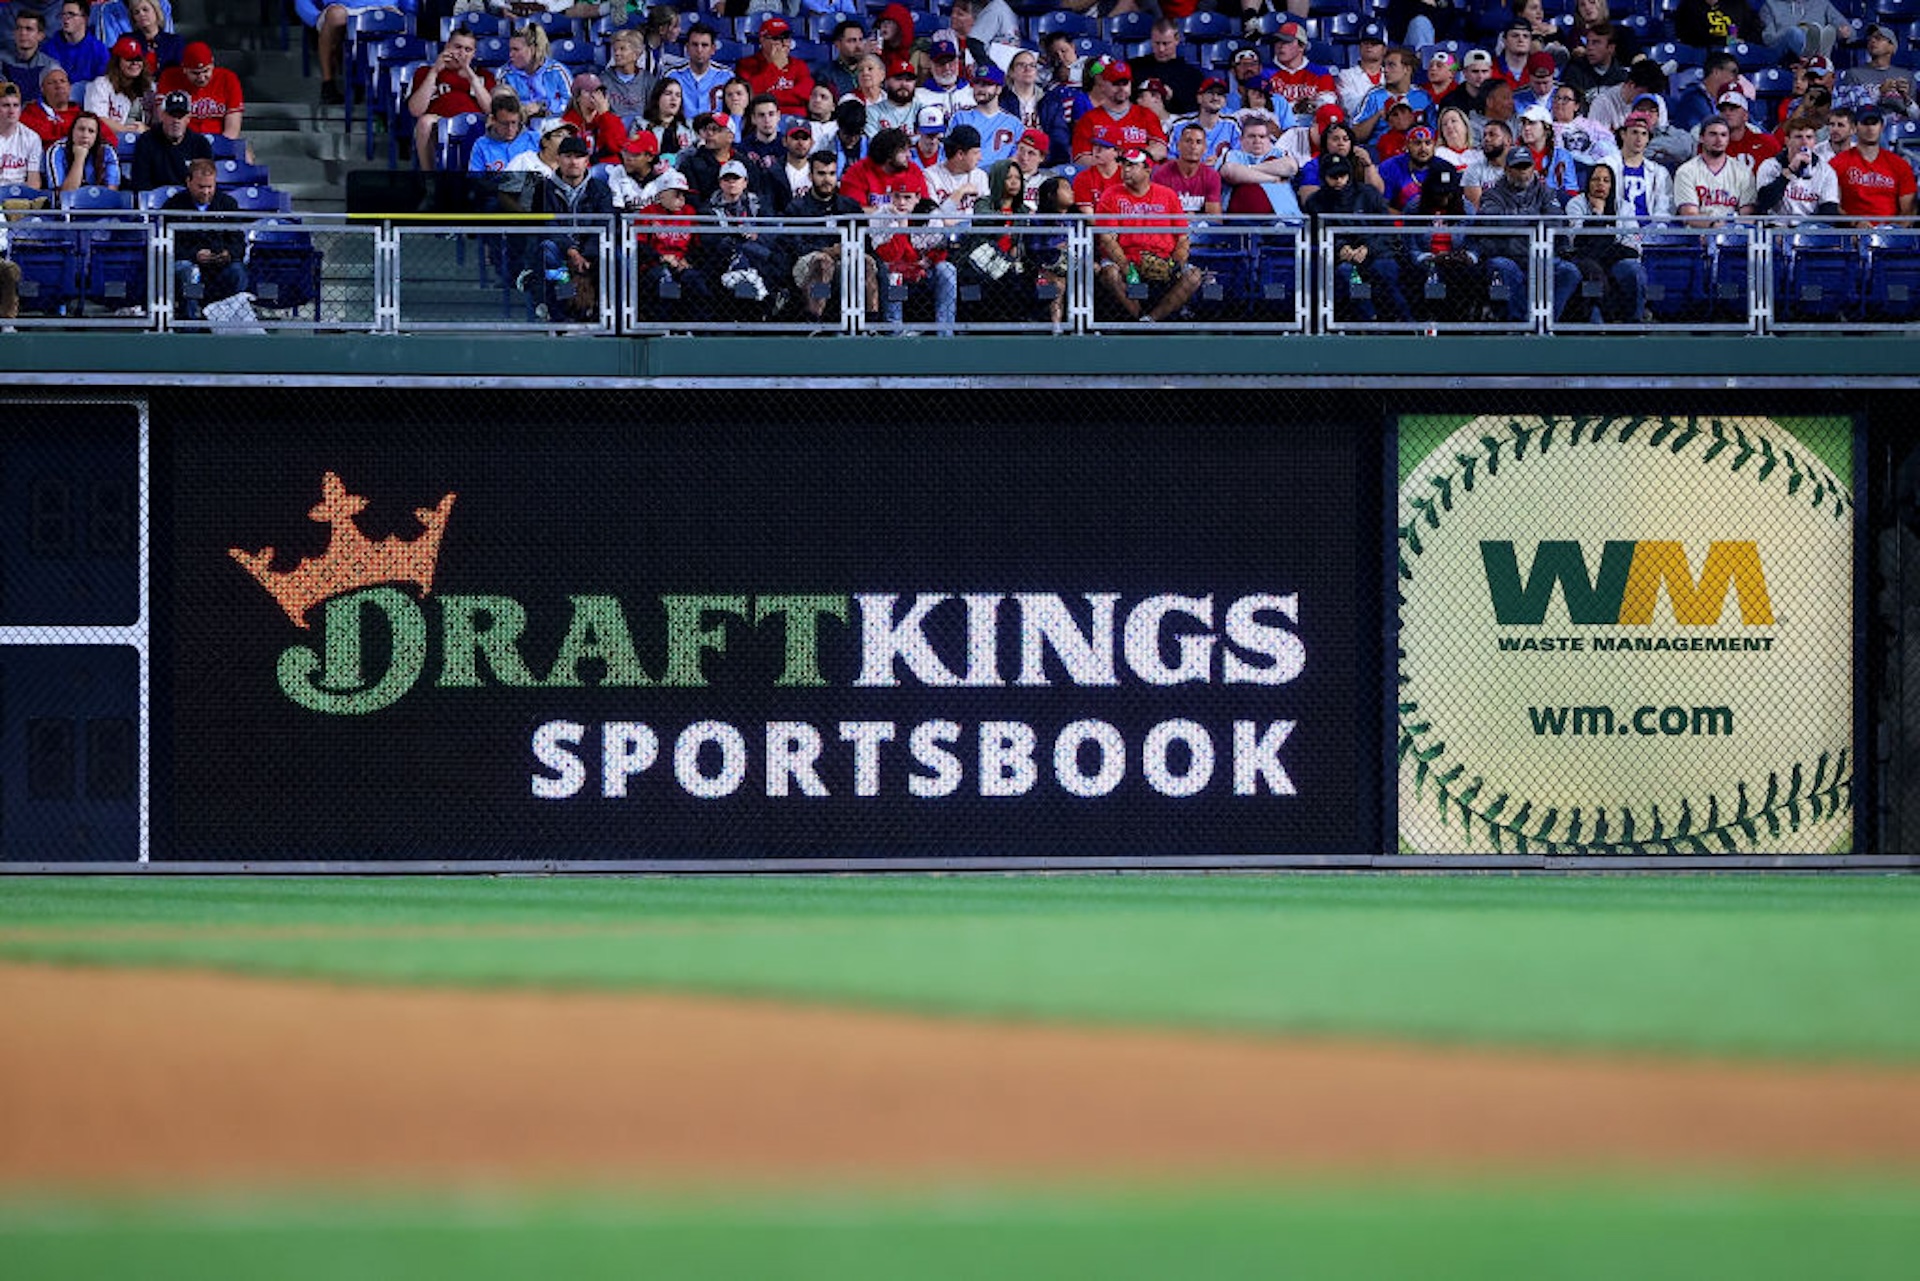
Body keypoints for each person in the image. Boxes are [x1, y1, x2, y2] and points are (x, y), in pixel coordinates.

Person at [1093, 146, 1201, 322]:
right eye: (1124, 165)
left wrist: (1176, 264)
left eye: (1132, 165)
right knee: (1110, 273)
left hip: (1163, 260)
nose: (1126, 170)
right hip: (1124, 260)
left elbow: (1182, 238)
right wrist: (1128, 269)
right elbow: (1107, 239)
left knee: (1194, 276)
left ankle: (1152, 319)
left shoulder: (1167, 195)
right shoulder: (1111, 195)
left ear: (1147, 169)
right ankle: (1139, 317)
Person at [1476, 144, 1582, 321]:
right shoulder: (1492, 194)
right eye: (1517, 167)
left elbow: (1556, 221)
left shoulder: (1546, 192)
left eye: (1526, 166)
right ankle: (1522, 323)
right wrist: (1534, 218)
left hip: (1543, 258)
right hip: (1509, 256)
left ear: (1533, 167)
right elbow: (1491, 220)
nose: (1523, 171)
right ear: (1507, 169)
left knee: (1570, 271)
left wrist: (1514, 223)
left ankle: (1545, 321)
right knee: (1501, 266)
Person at [1304, 152, 1407, 321]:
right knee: (1347, 273)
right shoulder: (1316, 201)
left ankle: (1404, 323)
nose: (1338, 180)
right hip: (1339, 258)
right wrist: (1339, 249)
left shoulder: (1368, 194)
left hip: (1376, 252)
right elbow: (1314, 235)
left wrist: (1367, 248)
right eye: (1333, 176)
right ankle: (1369, 321)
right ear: (1324, 176)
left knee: (1384, 270)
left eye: (1342, 175)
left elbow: (1386, 229)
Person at [526, 134, 613, 322]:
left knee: (617, 255)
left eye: (578, 156)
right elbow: (548, 225)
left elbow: (604, 226)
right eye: (567, 156)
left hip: (591, 251)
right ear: (558, 159)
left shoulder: (600, 189)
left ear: (586, 161)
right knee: (549, 253)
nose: (573, 162)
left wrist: (587, 256)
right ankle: (561, 314)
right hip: (560, 248)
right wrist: (571, 251)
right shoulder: (544, 189)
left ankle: (609, 316)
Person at [162, 157, 246, 321]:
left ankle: (228, 321)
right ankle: (190, 321)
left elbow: (238, 242)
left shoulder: (228, 204)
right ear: (188, 181)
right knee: (188, 270)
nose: (206, 192)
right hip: (188, 265)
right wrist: (195, 255)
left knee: (238, 271)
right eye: (201, 187)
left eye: (210, 187)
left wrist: (228, 254)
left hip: (220, 267)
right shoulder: (174, 205)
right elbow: (168, 244)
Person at [1562, 160, 1645, 322]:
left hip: (1612, 259)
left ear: (1612, 185)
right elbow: (1576, 242)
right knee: (1593, 269)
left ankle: (1635, 321)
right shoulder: (1576, 204)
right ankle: (1609, 316)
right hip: (1586, 260)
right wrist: (1597, 214)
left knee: (1632, 269)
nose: (1600, 184)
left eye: (1606, 180)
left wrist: (1598, 244)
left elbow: (1633, 246)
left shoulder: (1624, 207)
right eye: (1595, 179)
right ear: (1588, 182)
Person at [408, 29, 495, 172]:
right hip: (440, 123)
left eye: (468, 49)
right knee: (424, 122)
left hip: (475, 125)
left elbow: (490, 110)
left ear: (474, 53)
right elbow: (415, 110)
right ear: (447, 46)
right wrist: (434, 72)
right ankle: (430, 179)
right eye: (457, 47)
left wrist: (472, 77)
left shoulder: (483, 76)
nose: (462, 53)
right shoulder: (425, 72)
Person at [631, 168, 711, 324]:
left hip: (681, 264)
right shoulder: (648, 212)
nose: (682, 199)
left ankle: (695, 328)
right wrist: (661, 257)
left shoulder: (689, 212)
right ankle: (660, 328)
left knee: (697, 283)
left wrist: (688, 260)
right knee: (663, 282)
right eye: (677, 194)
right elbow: (639, 245)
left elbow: (697, 245)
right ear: (661, 194)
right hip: (654, 265)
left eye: (684, 195)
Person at [1828, 105, 1917, 222]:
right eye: (1865, 123)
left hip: (1890, 234)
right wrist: (1854, 224)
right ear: (1855, 127)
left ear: (1882, 127)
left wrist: (1891, 233)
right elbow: (1833, 206)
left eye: (1874, 123)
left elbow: (1908, 211)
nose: (1870, 129)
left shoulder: (1899, 164)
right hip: (1851, 234)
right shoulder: (1837, 163)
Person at [1071, 57, 1166, 165]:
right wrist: (1110, 163)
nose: (1121, 88)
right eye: (1115, 83)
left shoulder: (1146, 114)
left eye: (1125, 83)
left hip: (1141, 176)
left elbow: (1161, 149)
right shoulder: (1088, 119)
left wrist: (1134, 157)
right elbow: (1080, 158)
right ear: (1103, 86)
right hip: (1105, 179)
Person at [1674, 119, 1758, 225]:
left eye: (1723, 135)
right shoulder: (1686, 171)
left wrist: (1727, 230)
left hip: (1734, 236)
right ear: (1701, 138)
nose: (1718, 140)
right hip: (1698, 236)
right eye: (1713, 134)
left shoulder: (1743, 172)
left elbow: (1747, 214)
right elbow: (1689, 215)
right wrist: (1713, 226)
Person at [1220, 110, 1302, 217]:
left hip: (1284, 219)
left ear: (1269, 139)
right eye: (1251, 136)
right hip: (1240, 224)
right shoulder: (1233, 155)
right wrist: (1273, 178)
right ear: (1241, 139)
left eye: (1262, 136)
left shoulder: (1278, 153)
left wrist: (1247, 170)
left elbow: (1291, 167)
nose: (1257, 140)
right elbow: (1229, 172)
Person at [1755, 115, 1841, 216]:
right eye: (1798, 137)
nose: (1804, 142)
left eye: (1809, 137)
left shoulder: (1826, 171)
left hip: (1810, 227)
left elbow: (1829, 210)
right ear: (1787, 141)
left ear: (1815, 141)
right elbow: (1763, 203)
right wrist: (1790, 171)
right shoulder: (1770, 166)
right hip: (1777, 226)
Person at [156, 41, 243, 140]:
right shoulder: (169, 77)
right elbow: (164, 120)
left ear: (212, 64)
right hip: (182, 142)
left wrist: (221, 147)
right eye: (195, 73)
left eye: (206, 71)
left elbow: (232, 129)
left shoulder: (228, 78)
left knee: (246, 154)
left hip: (219, 139)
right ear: (184, 68)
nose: (201, 78)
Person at [129, 87, 206, 190]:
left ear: (188, 118)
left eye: (180, 116)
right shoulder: (146, 140)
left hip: (187, 203)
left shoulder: (200, 144)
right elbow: (140, 183)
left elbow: (204, 185)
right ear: (162, 116)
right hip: (154, 202)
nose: (176, 121)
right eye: (172, 115)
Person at [1610, 113, 1675, 229]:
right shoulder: (1607, 165)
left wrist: (1656, 228)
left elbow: (1665, 207)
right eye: (1634, 132)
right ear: (1623, 134)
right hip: (1616, 231)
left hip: (1650, 235)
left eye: (1644, 134)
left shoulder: (1659, 172)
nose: (1639, 138)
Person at [741, 16, 813, 117]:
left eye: (786, 37)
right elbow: (755, 96)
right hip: (765, 119)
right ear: (762, 40)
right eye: (776, 38)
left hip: (797, 118)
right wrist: (773, 66)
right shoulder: (747, 65)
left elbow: (805, 96)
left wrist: (772, 95)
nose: (783, 43)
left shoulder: (799, 65)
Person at [951, 62, 1020, 166]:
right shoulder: (960, 118)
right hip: (967, 176)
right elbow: (949, 154)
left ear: (999, 89)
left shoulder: (1014, 123)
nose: (980, 88)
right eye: (977, 83)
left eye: (987, 84)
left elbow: (1018, 158)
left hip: (1000, 178)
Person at [1128, 20, 1202, 115]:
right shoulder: (1135, 66)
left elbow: (1193, 110)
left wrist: (1172, 97)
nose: (1161, 49)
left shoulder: (1191, 75)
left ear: (1177, 40)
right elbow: (1106, 72)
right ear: (1151, 40)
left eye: (1166, 43)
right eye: (1157, 43)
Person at [1843, 26, 1916, 121]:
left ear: (1892, 47)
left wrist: (1906, 98)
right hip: (1866, 127)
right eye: (1869, 39)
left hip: (1899, 130)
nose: (1872, 41)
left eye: (1879, 38)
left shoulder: (1907, 76)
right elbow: (1849, 112)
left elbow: (1916, 117)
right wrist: (1879, 92)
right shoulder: (1853, 74)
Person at [1264, 21, 1336, 118]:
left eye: (1287, 42)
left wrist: (1312, 105)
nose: (1281, 46)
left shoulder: (1320, 73)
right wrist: (1296, 107)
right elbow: (1261, 107)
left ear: (1301, 47)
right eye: (1278, 41)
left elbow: (1329, 102)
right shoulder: (1264, 73)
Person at [84, 34, 151, 137]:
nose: (135, 63)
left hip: (143, 141)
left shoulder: (149, 87)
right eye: (129, 59)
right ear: (117, 62)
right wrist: (128, 133)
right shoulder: (101, 85)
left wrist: (146, 131)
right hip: (110, 141)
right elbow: (97, 119)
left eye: (138, 59)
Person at [499, 25, 569, 123]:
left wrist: (543, 105)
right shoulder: (505, 75)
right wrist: (523, 109)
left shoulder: (557, 71)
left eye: (516, 49)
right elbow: (501, 109)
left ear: (532, 49)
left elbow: (572, 104)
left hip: (556, 128)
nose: (511, 54)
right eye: (510, 49)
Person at [1153, 120, 1223, 215]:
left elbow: (1215, 219)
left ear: (1205, 148)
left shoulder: (1212, 176)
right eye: (1188, 141)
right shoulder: (1162, 174)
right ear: (1178, 146)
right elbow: (1159, 214)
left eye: (1198, 142)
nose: (1193, 146)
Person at [561, 72, 627, 166]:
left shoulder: (611, 119)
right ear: (578, 97)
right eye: (589, 91)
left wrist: (605, 115)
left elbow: (617, 147)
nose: (594, 96)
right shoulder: (568, 122)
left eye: (598, 91)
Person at [669, 25, 732, 118]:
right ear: (687, 48)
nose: (699, 50)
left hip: (716, 130)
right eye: (695, 45)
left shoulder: (726, 76)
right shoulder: (673, 75)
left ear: (713, 49)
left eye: (704, 45)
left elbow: (736, 111)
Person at [45, 107, 116, 188]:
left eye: (91, 131)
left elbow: (112, 193)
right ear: (72, 131)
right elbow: (62, 195)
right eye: (81, 129)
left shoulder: (107, 151)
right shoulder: (57, 150)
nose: (85, 135)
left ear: (97, 136)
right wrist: (79, 159)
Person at [1758, 0, 1850, 61]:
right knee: (1793, 32)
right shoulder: (1770, 5)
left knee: (1829, 31)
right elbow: (1768, 38)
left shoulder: (1822, 3)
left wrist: (1843, 33)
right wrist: (1788, 35)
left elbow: (1848, 29)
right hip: (1781, 51)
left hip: (1817, 42)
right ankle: (1815, 61)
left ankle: (1814, 58)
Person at [1379, 123, 1440, 210]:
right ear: (1407, 145)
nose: (1423, 148)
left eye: (1428, 143)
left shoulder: (1444, 167)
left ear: (1434, 145)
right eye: (1417, 143)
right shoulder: (1390, 167)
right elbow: (1382, 207)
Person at [47, 1, 108, 86]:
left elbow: (103, 86)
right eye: (63, 14)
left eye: (71, 14)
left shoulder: (99, 50)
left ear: (85, 18)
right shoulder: (49, 48)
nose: (66, 18)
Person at [1337, 22, 1391, 118]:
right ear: (1360, 47)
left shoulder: (1392, 75)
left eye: (1374, 43)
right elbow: (1350, 107)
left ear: (1384, 49)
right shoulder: (1346, 75)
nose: (1369, 46)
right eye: (1365, 43)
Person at [1562, 21, 1628, 99]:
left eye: (1596, 43)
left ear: (1611, 48)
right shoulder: (1575, 71)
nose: (1589, 47)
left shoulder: (1623, 76)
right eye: (1588, 42)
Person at [600, 28, 652, 124]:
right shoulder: (604, 79)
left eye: (622, 49)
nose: (617, 53)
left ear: (636, 54)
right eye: (615, 50)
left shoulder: (648, 80)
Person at [1717, 92, 1779, 170]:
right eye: (1723, 110)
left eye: (1732, 109)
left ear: (1745, 116)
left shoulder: (1767, 143)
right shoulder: (1711, 145)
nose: (1727, 113)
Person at [0, 80, 44, 187]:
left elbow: (34, 180)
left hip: (20, 196)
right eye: (6, 105)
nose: (11, 110)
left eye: (15, 105)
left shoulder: (32, 138)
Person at [641, 77, 694, 162]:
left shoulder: (689, 126)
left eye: (678, 95)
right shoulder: (641, 125)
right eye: (668, 93)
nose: (674, 98)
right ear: (658, 98)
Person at [1071, 125, 1123, 212]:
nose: (1097, 150)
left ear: (1117, 152)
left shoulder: (1128, 176)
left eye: (1105, 147)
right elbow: (1089, 218)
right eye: (1095, 145)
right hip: (1097, 225)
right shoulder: (1083, 178)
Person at [814, 16, 868, 100]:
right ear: (837, 44)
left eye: (860, 40)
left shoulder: (871, 70)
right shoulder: (826, 74)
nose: (859, 46)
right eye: (852, 41)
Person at [21, 66, 78, 143]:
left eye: (63, 81)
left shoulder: (80, 114)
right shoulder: (31, 112)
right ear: (42, 89)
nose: (59, 86)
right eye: (51, 83)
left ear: (69, 86)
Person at [1674, 0, 1762, 50]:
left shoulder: (1738, 4)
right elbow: (1688, 37)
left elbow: (1755, 29)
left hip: (1739, 53)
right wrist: (1722, 42)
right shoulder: (1688, 6)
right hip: (1706, 57)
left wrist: (1744, 42)